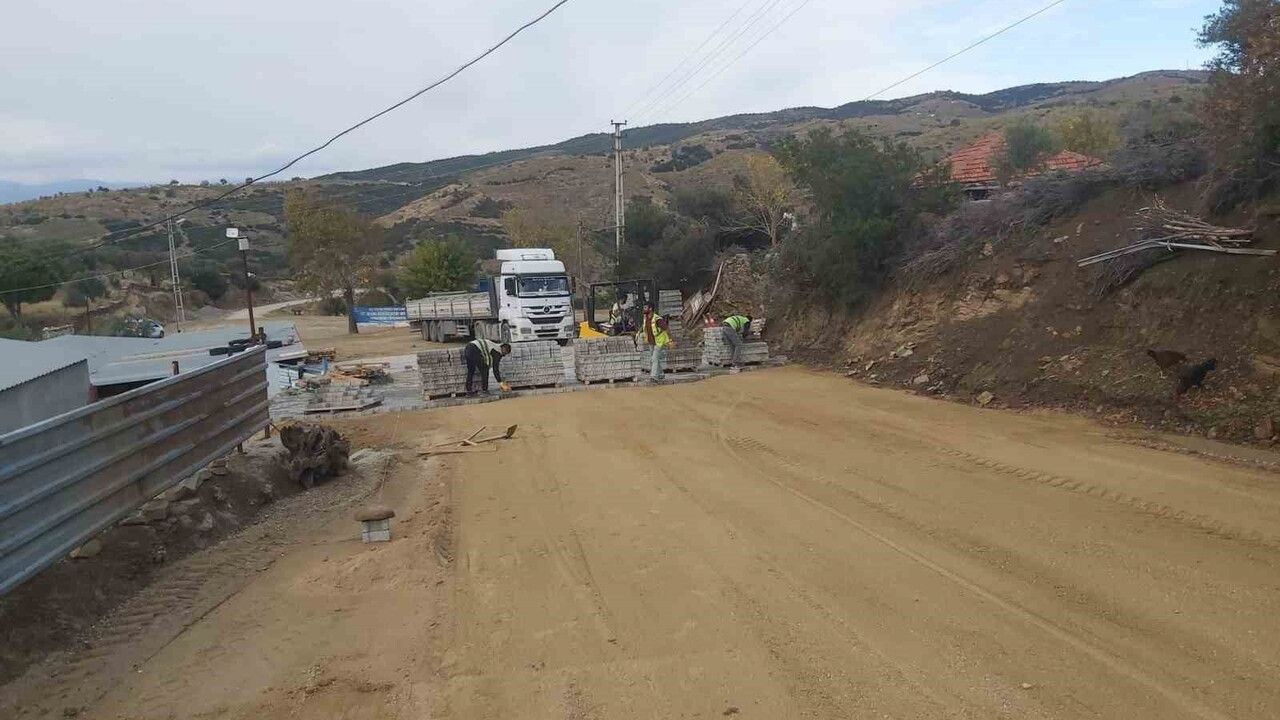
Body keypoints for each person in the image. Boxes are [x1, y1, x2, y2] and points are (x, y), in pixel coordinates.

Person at [649, 314, 675, 381]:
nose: (644, 309)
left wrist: (671, 340)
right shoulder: (648, 319)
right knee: (655, 359)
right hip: (654, 342)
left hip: (661, 342)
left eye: (646, 307)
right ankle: (661, 374)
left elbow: (667, 329)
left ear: (650, 309)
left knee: (654, 358)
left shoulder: (658, 319)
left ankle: (654, 376)